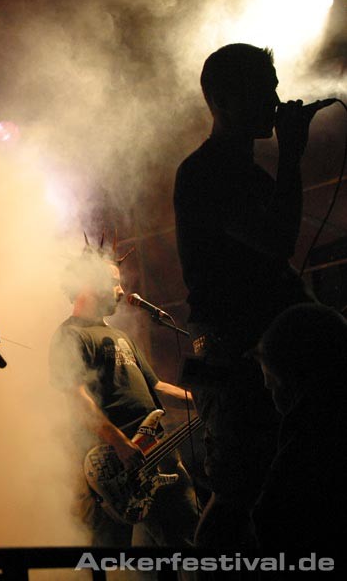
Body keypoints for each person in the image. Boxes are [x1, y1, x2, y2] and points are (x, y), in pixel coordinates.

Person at [173, 43, 317, 548]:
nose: (275, 100)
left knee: (270, 480)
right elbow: (277, 240)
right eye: (263, 89)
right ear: (222, 101)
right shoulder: (205, 171)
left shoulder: (247, 174)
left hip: (249, 349)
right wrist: (292, 157)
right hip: (230, 352)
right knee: (238, 487)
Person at [49, 242, 198, 548]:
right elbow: (78, 399)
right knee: (108, 552)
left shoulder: (119, 336)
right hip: (112, 463)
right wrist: (119, 441)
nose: (121, 290)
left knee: (187, 538)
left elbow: (157, 387)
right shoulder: (70, 335)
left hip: (156, 450)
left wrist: (201, 397)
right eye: (113, 282)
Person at [250, 303, 347, 555]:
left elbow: (271, 522)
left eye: (272, 384)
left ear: (293, 379)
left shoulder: (309, 448)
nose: (272, 397)